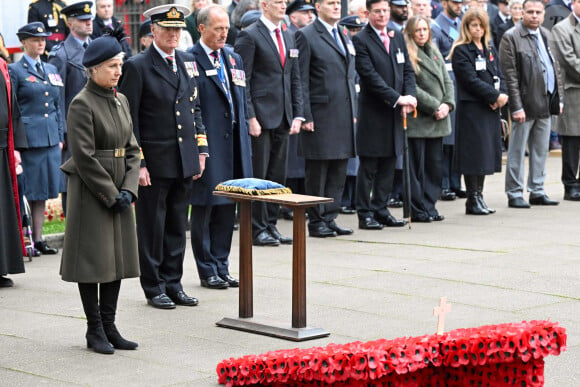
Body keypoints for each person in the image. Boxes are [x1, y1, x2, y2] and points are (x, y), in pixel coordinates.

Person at [119, 4, 207, 309]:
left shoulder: (186, 61)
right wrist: (138, 162)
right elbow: (129, 119)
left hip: (183, 159)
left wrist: (201, 150)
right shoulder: (138, 65)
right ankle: (153, 285)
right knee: (152, 227)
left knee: (176, 226)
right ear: (153, 31)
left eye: (177, 29)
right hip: (154, 162)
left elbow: (194, 108)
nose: (173, 35)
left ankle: (174, 282)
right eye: (167, 29)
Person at [60, 34, 140, 355]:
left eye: (120, 64)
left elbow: (132, 149)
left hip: (119, 190)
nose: (118, 71)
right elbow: (83, 156)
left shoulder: (120, 100)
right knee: (95, 260)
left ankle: (110, 325)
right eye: (111, 66)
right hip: (92, 192)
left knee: (116, 260)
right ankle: (94, 329)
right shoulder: (82, 103)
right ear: (93, 70)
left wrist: (129, 190)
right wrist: (111, 193)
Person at [188, 5, 253, 289]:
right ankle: (207, 269)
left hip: (235, 144)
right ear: (202, 28)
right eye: (218, 28)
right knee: (206, 207)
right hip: (209, 144)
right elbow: (191, 106)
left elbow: (240, 97)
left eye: (226, 28)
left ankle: (222, 264)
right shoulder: (190, 59)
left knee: (228, 207)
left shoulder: (233, 57)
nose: (224, 33)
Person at [234, 0, 304, 246]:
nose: (283, 6)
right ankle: (256, 227)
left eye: (284, 2)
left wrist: (297, 112)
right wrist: (250, 116)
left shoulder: (287, 34)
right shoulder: (250, 36)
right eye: (277, 2)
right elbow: (243, 81)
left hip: (283, 115)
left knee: (277, 175)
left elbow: (293, 77)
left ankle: (271, 224)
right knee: (260, 175)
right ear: (264, 5)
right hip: (261, 118)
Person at [352, 0, 416, 230]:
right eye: (377, 11)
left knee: (390, 162)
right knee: (369, 165)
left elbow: (407, 69)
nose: (382, 15)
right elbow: (370, 77)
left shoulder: (396, 35)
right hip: (374, 112)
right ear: (368, 13)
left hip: (396, 113)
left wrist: (410, 95)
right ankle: (365, 212)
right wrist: (397, 98)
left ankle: (380, 208)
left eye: (385, 11)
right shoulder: (360, 39)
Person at [295, 0, 356, 238]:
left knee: (338, 168)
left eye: (337, 3)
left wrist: (353, 111)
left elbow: (348, 75)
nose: (336, 7)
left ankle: (330, 216)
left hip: (342, 113)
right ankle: (316, 220)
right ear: (317, 6)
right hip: (320, 115)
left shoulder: (342, 33)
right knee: (318, 170)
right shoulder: (307, 35)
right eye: (330, 3)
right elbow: (301, 78)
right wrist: (306, 114)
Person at [9, 22, 64, 256]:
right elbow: (13, 109)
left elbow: (57, 105)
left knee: (43, 192)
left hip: (51, 138)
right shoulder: (16, 70)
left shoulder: (51, 69)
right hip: (29, 141)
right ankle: (22, 240)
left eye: (43, 39)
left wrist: (60, 135)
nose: (41, 43)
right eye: (35, 40)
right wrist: (17, 144)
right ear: (24, 42)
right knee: (26, 191)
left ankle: (39, 239)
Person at [499, 0, 560, 208]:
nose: (534, 15)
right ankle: (514, 192)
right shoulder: (511, 37)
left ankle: (537, 190)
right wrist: (516, 106)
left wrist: (558, 99)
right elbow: (510, 76)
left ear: (544, 14)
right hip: (524, 104)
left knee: (541, 149)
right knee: (517, 150)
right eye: (530, 12)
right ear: (521, 14)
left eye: (538, 12)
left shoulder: (546, 34)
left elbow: (555, 67)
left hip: (546, 101)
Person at [450, 7, 508, 214]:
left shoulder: (489, 49)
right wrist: (493, 97)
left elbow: (499, 74)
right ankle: (472, 197)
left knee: (484, 155)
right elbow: (470, 80)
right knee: (474, 155)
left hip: (489, 109)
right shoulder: (461, 50)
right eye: (474, 25)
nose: (478, 29)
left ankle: (480, 196)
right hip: (473, 109)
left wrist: (502, 95)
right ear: (466, 27)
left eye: (481, 25)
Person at [404, 15, 455, 222]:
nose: (422, 33)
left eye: (425, 29)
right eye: (418, 30)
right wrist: (435, 106)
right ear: (410, 33)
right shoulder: (408, 54)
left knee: (434, 166)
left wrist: (448, 104)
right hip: (421, 120)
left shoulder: (434, 51)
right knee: (417, 168)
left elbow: (447, 80)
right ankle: (417, 208)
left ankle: (430, 205)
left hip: (439, 119)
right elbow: (411, 87)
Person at [48, 1, 94, 216]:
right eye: (83, 21)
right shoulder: (61, 54)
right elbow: (56, 97)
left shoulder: (97, 47)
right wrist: (62, 130)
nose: (88, 24)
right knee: (73, 179)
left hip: (98, 124)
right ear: (69, 23)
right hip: (74, 127)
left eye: (89, 20)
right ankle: (74, 231)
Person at [432, 0, 466, 201]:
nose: (459, 5)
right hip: (447, 83)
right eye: (455, 2)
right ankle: (444, 183)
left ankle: (455, 181)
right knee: (446, 140)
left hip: (461, 84)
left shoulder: (461, 24)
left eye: (461, 2)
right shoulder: (436, 27)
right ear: (444, 3)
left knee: (458, 139)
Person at [0, 57, 27, 288]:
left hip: (2, 147)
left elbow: (13, 109)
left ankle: (1, 268)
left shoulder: (2, 66)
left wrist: (15, 145)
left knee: (2, 213)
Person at [549, 0, 580, 200]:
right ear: (574, 3)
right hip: (573, 92)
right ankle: (570, 184)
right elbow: (569, 62)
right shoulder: (562, 29)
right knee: (571, 140)